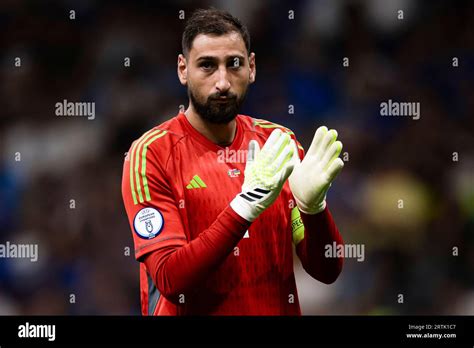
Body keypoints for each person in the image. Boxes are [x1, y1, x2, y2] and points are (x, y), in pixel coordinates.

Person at [122, 8, 345, 315]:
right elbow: (171, 278)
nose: (223, 82)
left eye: (234, 64)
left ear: (251, 68)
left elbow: (326, 270)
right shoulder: (150, 154)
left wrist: (313, 211)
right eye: (207, 66)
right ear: (183, 70)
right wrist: (245, 206)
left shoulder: (278, 143)